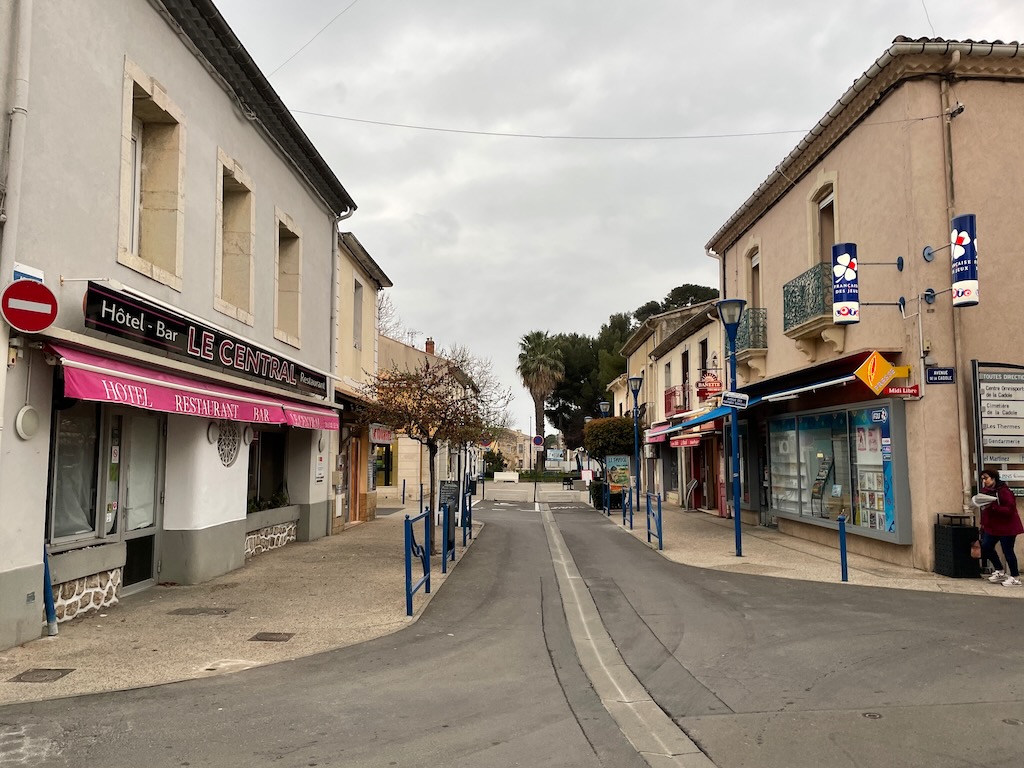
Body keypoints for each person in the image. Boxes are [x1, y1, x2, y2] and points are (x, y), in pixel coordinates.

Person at [979, 469, 1024, 587]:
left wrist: (994, 507)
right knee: (986, 546)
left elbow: (1010, 510)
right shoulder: (985, 491)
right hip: (993, 526)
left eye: (986, 478)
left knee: (1007, 550)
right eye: (982, 479)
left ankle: (1015, 577)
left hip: (1007, 526)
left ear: (993, 478)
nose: (984, 481)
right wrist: (983, 523)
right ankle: (999, 570)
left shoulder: (1004, 491)